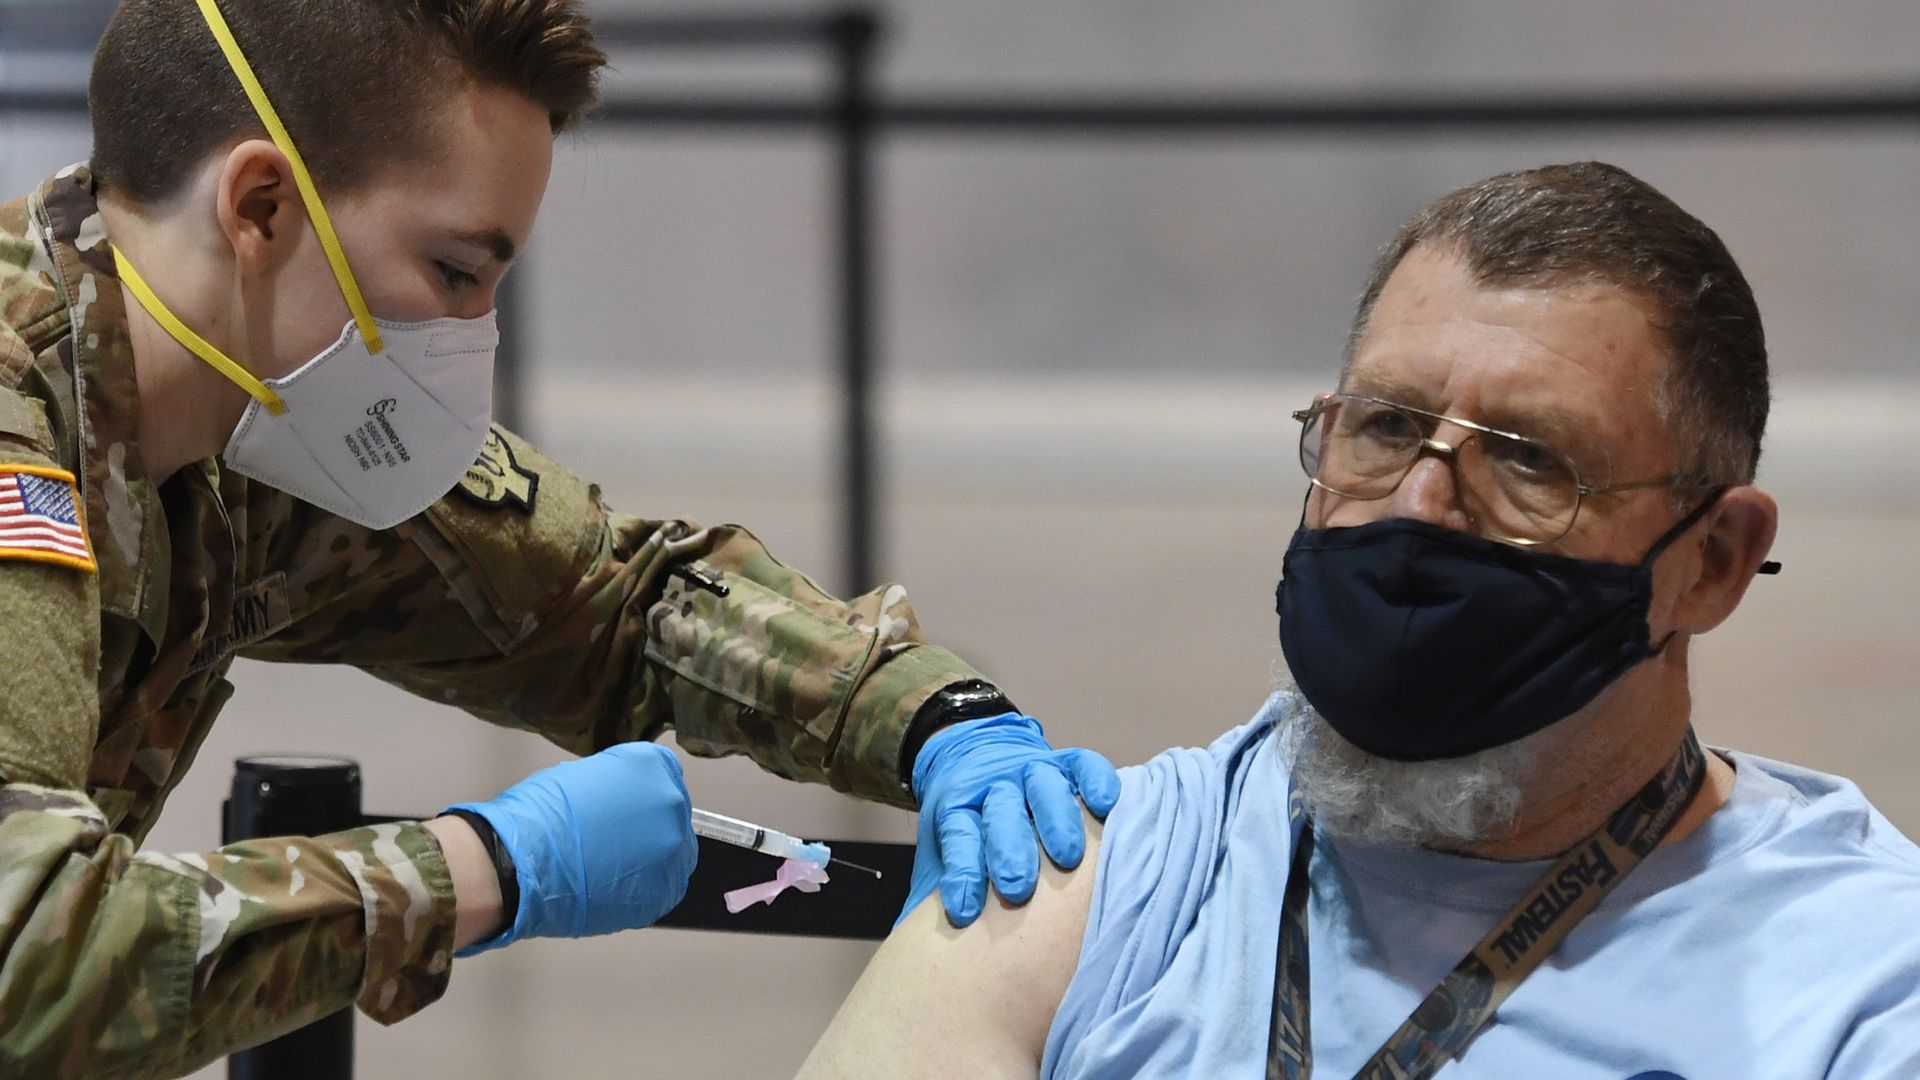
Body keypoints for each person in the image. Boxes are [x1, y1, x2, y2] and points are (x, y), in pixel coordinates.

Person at [0, 1, 1118, 1074]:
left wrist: (939, 720)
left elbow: (606, 602)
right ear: (259, 210)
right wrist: (486, 867)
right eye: (453, 271)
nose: (470, 335)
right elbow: (27, 968)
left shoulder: (252, 429)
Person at [797, 162, 1920, 1079]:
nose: (1422, 503)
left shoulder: (1858, 983)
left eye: (1530, 461)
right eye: (1386, 426)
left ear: (1713, 562)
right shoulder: (1111, 870)